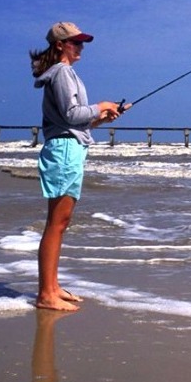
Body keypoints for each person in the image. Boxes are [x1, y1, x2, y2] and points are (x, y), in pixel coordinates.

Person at [29, 21, 130, 311]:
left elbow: (73, 121)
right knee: (57, 223)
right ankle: (46, 293)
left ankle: (52, 286)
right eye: (76, 42)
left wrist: (101, 117)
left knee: (60, 223)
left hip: (69, 147)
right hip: (63, 151)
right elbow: (73, 115)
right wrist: (101, 105)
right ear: (60, 45)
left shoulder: (65, 73)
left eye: (82, 42)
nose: (81, 47)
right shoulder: (61, 73)